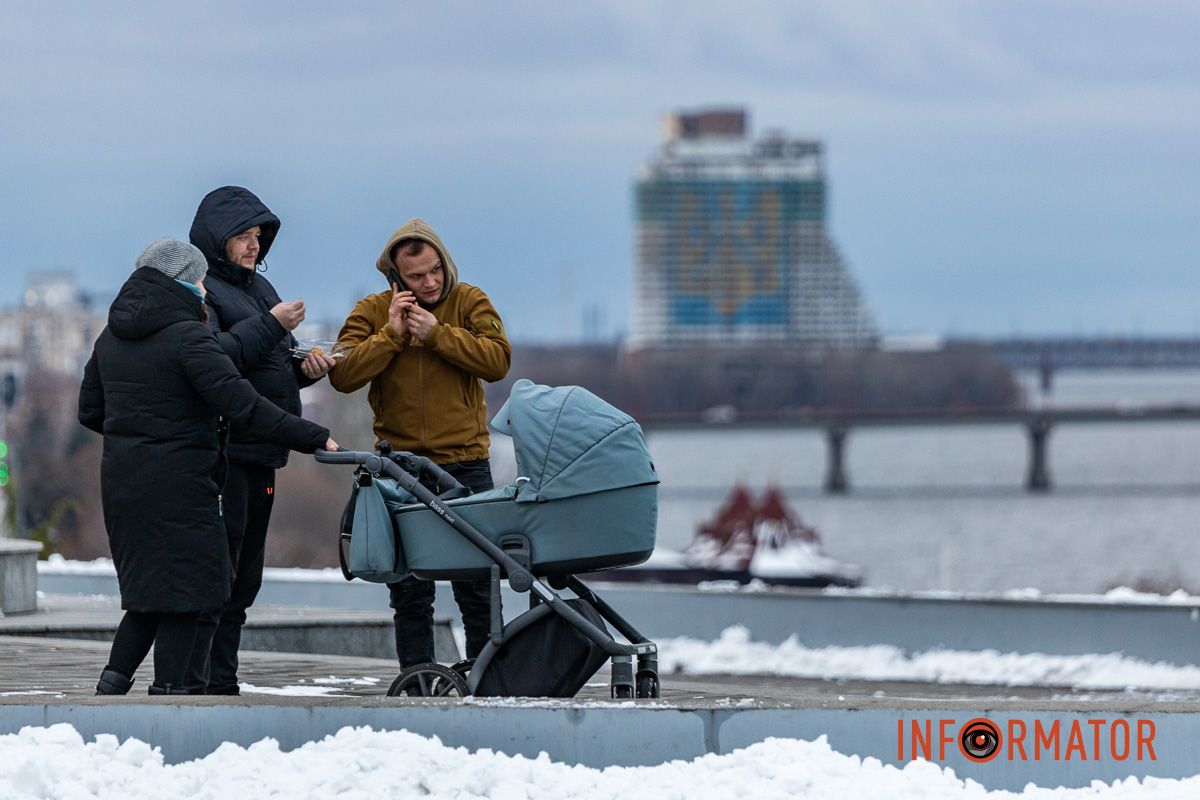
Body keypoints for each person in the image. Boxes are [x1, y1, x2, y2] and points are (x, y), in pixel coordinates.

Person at [79, 238, 337, 695]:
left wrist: (140, 437)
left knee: (148, 596)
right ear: (181, 281)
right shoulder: (188, 337)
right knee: (194, 593)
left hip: (123, 483)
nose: (204, 289)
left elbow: (91, 411)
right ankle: (173, 696)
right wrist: (313, 436)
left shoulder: (110, 337)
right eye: (198, 280)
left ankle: (110, 688)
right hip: (182, 485)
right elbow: (245, 408)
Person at [329, 218, 511, 668]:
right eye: (416, 276)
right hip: (400, 471)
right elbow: (343, 373)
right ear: (395, 278)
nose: (430, 282)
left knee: (477, 586)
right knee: (409, 589)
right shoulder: (371, 311)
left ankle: (488, 680)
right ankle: (418, 680)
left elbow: (498, 361)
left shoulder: (470, 300)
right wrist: (391, 335)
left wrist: (438, 335)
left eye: (435, 271)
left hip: (465, 464)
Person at [186, 186, 338, 695]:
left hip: (262, 451)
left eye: (258, 236)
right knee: (221, 574)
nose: (253, 246)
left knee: (246, 577)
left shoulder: (258, 289)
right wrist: (271, 325)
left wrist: (308, 369)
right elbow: (213, 362)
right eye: (242, 237)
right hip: (226, 451)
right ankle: (201, 679)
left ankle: (222, 677)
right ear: (216, 239)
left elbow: (273, 368)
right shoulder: (202, 293)